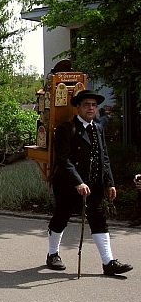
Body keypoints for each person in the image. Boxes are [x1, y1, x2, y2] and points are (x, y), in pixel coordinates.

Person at [45, 90, 132, 276]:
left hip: (94, 185)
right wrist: (78, 182)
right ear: (78, 107)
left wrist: (109, 183)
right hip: (69, 184)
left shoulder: (98, 127)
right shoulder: (66, 129)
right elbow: (63, 159)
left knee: (99, 220)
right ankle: (52, 254)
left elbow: (104, 157)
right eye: (86, 105)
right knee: (61, 218)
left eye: (93, 105)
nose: (91, 108)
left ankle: (108, 262)